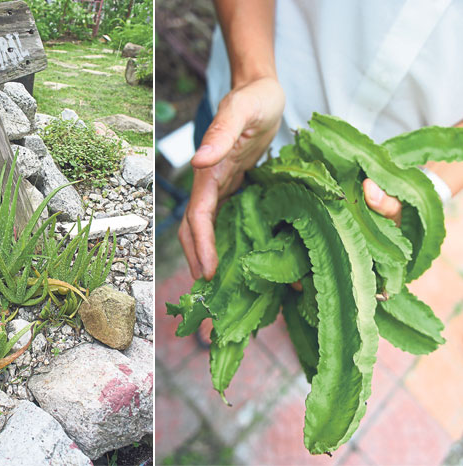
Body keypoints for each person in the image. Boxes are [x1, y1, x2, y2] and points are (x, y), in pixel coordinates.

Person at [179, 0, 463, 344]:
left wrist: (432, 184)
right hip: (250, 122)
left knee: (323, 294)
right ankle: (226, 310)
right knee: (220, 250)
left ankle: (269, 310)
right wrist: (252, 75)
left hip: (382, 197)